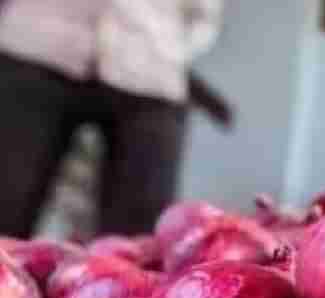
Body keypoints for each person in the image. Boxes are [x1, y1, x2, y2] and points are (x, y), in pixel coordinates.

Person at [0, 0, 224, 238]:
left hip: (152, 66)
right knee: (6, 204)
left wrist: (170, 47)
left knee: (140, 238)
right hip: (34, 46)